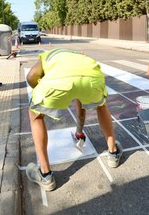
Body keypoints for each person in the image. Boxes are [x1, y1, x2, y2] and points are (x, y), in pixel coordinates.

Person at [25, 48, 123, 191]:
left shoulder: (47, 55)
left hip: (57, 81)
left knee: (35, 114)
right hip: (93, 78)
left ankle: (45, 175)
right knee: (102, 106)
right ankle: (113, 153)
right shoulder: (79, 54)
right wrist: (79, 132)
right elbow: (80, 97)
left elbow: (31, 76)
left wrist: (41, 91)